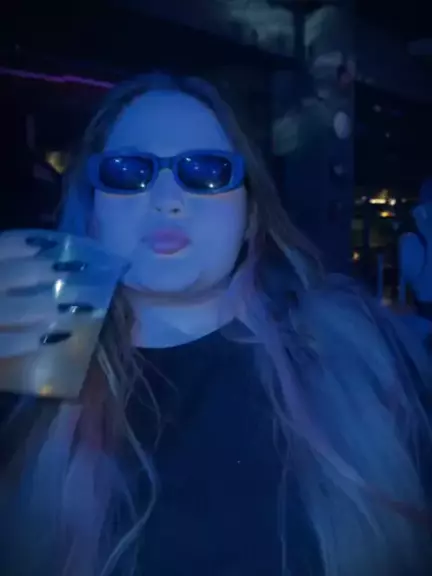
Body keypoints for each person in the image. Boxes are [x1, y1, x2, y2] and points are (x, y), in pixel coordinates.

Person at [0, 73, 431, 576]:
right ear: (92, 212)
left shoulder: (358, 359)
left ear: (250, 216)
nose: (167, 197)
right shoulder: (35, 374)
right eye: (128, 171)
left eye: (205, 170)